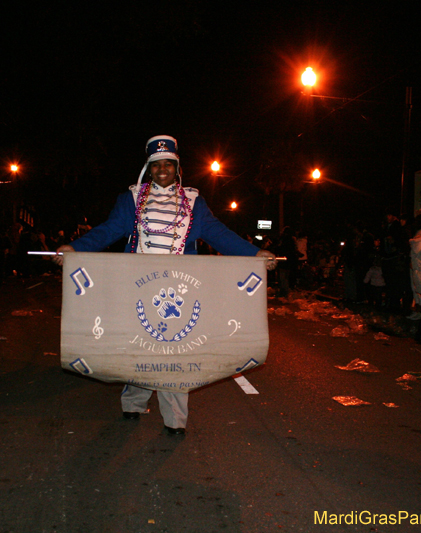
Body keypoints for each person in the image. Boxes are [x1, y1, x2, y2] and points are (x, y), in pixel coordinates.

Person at [54, 135, 276, 436]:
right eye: (156, 164)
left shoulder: (195, 202)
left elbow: (217, 233)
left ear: (177, 167)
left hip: (181, 288)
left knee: (176, 351)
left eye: (168, 164)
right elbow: (109, 230)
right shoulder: (131, 198)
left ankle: (175, 418)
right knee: (140, 342)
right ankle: (133, 402)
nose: (162, 169)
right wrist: (75, 249)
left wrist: (255, 254)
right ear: (148, 167)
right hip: (137, 285)